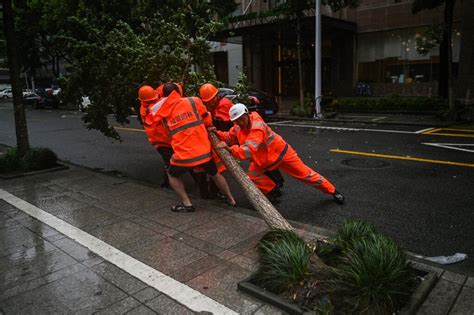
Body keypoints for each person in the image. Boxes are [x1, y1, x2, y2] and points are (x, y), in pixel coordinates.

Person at [212, 103, 345, 204]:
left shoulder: (257, 126)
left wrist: (231, 149)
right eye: (236, 121)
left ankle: (332, 191)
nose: (239, 123)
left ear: (247, 114)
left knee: (306, 175)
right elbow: (229, 137)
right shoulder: (237, 127)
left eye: (241, 119)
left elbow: (248, 150)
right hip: (264, 160)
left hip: (282, 155)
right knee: (252, 176)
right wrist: (216, 133)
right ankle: (273, 191)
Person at [153, 82, 236, 212]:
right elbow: (207, 119)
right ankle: (231, 199)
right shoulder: (194, 101)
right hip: (204, 151)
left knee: (172, 174)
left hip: (184, 156)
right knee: (215, 174)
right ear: (179, 92)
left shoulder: (163, 114)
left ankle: (187, 204)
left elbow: (169, 134)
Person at [138, 85, 172, 188]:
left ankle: (166, 183)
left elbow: (160, 91)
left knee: (170, 163)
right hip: (163, 142)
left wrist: (172, 85)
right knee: (171, 164)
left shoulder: (143, 106)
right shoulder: (151, 110)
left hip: (160, 141)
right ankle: (166, 184)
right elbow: (165, 102)